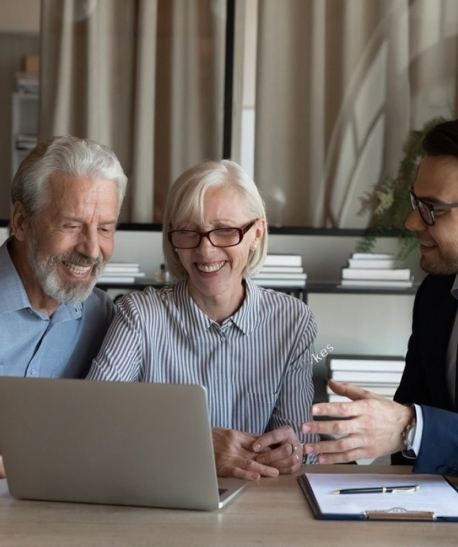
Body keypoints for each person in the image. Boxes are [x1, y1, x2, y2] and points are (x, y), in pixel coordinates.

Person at [87, 159, 319, 480]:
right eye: (188, 232)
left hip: (255, 500)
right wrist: (195, 443)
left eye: (224, 231)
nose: (206, 251)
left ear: (257, 233)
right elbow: (92, 422)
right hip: (159, 494)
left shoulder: (292, 321)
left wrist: (292, 453)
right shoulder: (139, 315)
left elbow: (301, 442)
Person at [297, 119, 458, 476]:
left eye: (432, 209)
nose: (412, 222)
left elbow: (410, 426)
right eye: (417, 201)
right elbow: (406, 437)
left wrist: (412, 426)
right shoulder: (435, 295)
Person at [0, 135, 127, 478]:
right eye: (71, 226)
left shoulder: (105, 317)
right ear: (22, 222)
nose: (91, 250)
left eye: (105, 229)